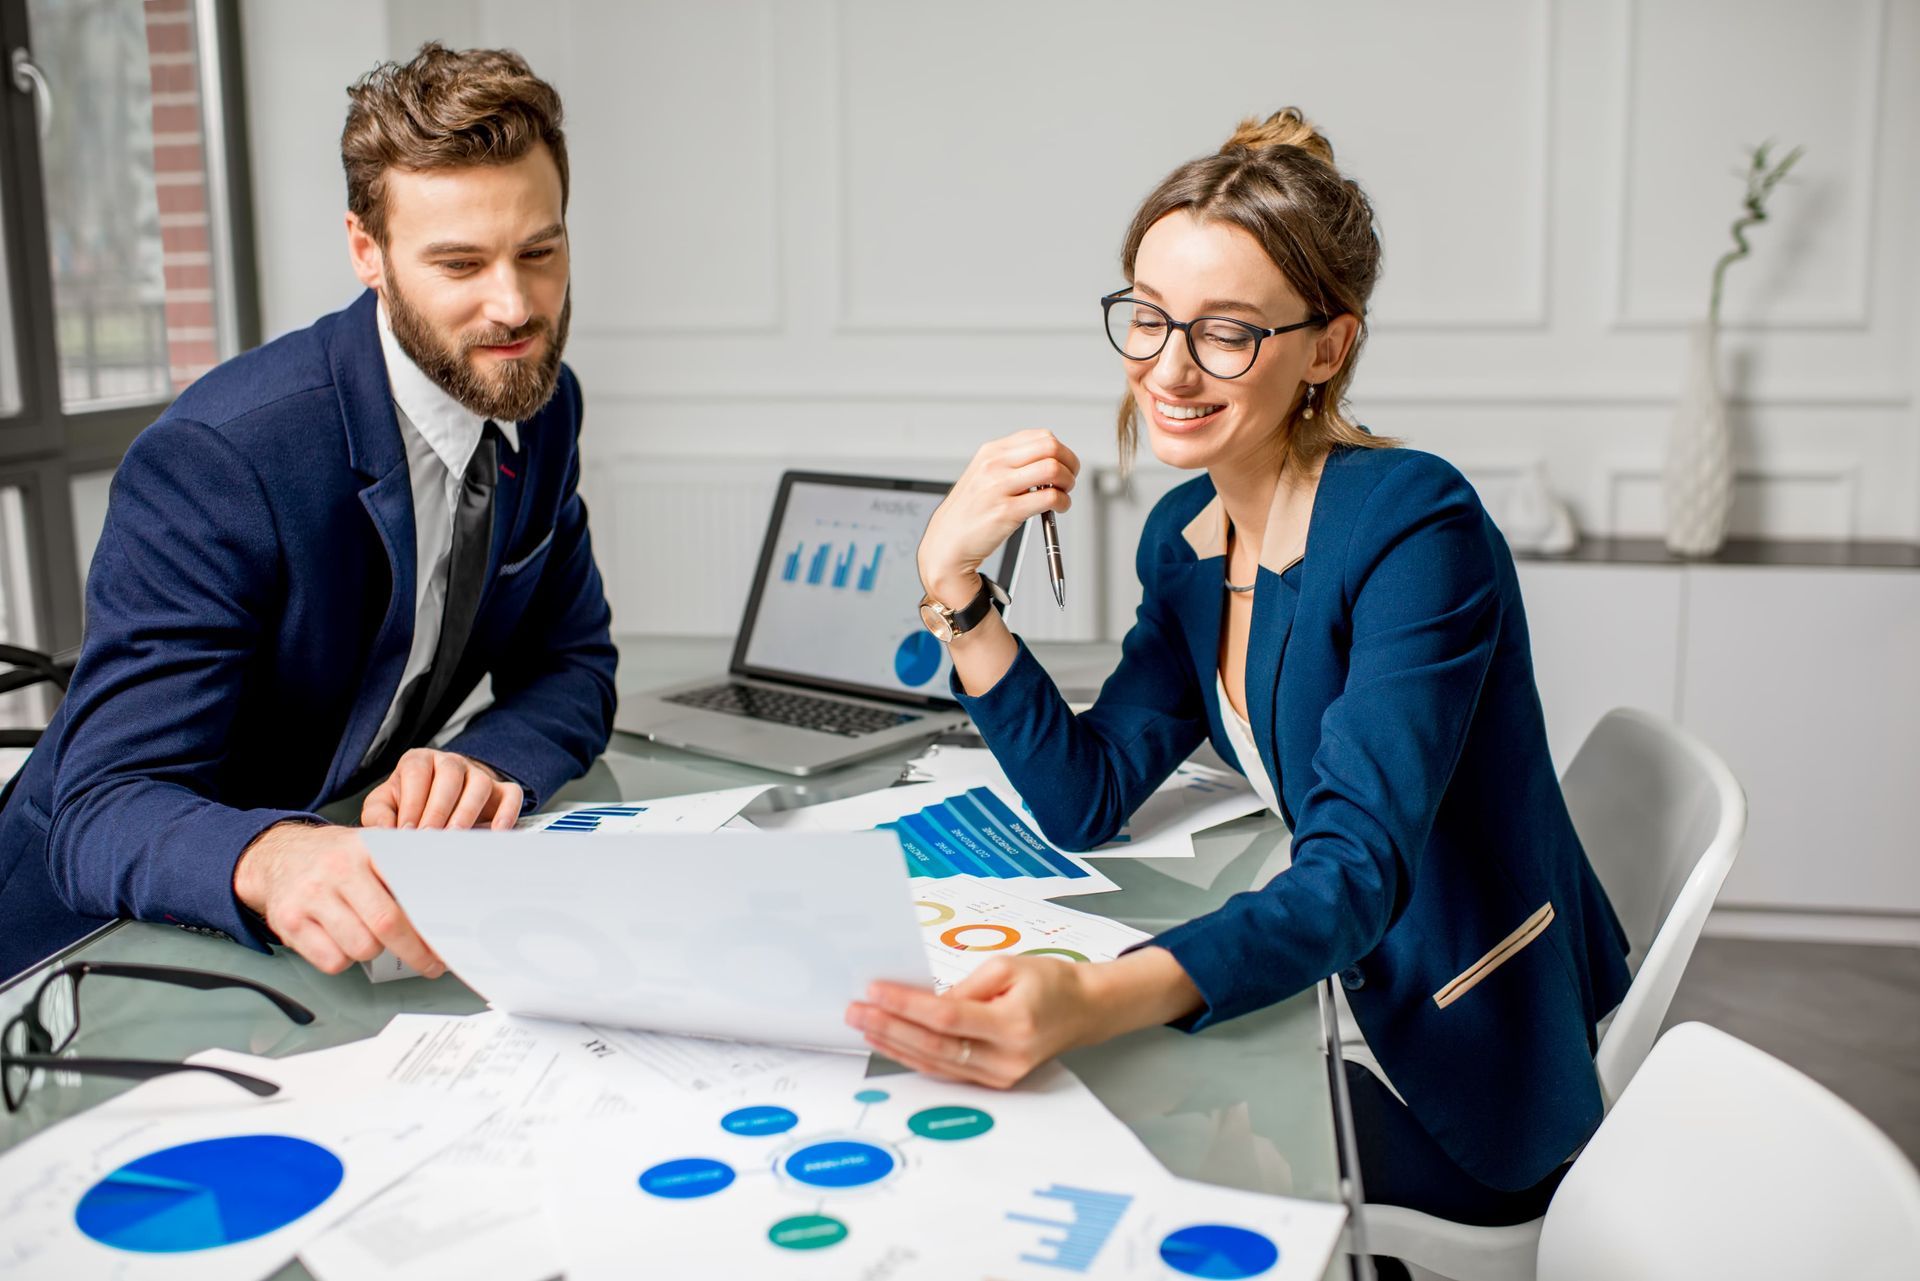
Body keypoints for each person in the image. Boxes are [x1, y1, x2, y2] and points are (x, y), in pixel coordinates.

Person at [847, 108, 1633, 1227]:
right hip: (1320, 989)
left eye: (1224, 332)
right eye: (1150, 319)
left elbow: (1354, 874)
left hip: (1453, 1050)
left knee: (1095, 1137)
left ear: (1327, 346)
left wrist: (1094, 997)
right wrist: (957, 584)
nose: (1168, 369)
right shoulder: (1186, 537)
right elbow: (1089, 793)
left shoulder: (1418, 525)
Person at [0, 44, 616, 981]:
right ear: (368, 253)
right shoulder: (222, 458)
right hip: (90, 954)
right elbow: (101, 804)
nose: (515, 304)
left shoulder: (541, 397)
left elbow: (572, 662)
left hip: (340, 926)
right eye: (460, 263)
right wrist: (273, 854)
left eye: (540, 250)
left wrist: (482, 766)